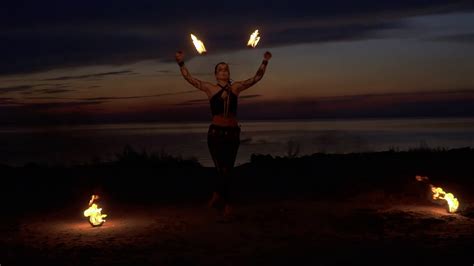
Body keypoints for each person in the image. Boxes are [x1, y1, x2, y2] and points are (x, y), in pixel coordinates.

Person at [175, 50, 272, 219]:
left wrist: (264, 61)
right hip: (216, 134)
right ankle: (226, 205)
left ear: (229, 73)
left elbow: (256, 78)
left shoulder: (236, 87)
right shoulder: (210, 88)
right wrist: (181, 63)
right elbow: (189, 78)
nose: (223, 71)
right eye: (220, 69)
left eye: (226, 69)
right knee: (222, 169)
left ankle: (217, 195)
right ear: (215, 74)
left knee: (228, 170)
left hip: (233, 134)